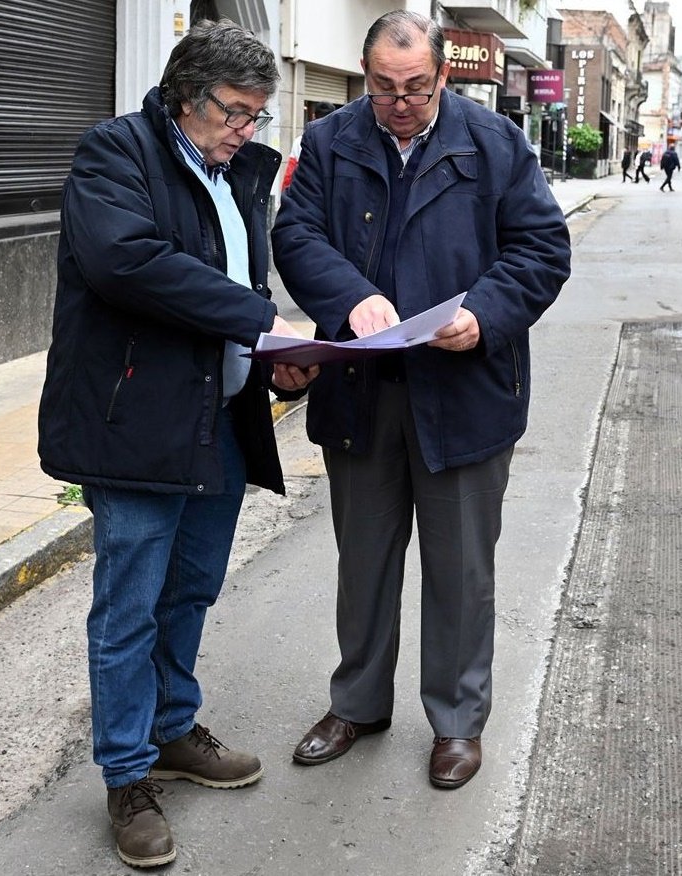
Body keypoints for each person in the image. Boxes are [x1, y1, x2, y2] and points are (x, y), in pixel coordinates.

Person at [37, 19, 317, 869]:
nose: (247, 131)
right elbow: (130, 261)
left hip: (220, 419)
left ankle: (168, 732)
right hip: (136, 425)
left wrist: (272, 361)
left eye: (258, 118)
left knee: (190, 590)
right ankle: (126, 777)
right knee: (128, 608)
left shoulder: (236, 174)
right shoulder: (113, 155)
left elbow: (234, 283)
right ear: (185, 98)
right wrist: (262, 321)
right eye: (235, 114)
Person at [271, 10, 571, 791]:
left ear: (444, 74)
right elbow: (295, 234)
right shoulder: (332, 142)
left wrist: (484, 317)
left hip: (465, 391)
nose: (398, 103)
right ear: (365, 75)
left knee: (460, 570)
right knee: (363, 562)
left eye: (414, 87)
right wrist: (351, 297)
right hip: (363, 390)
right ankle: (358, 703)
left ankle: (457, 724)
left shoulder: (497, 143)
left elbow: (542, 249)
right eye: (382, 87)